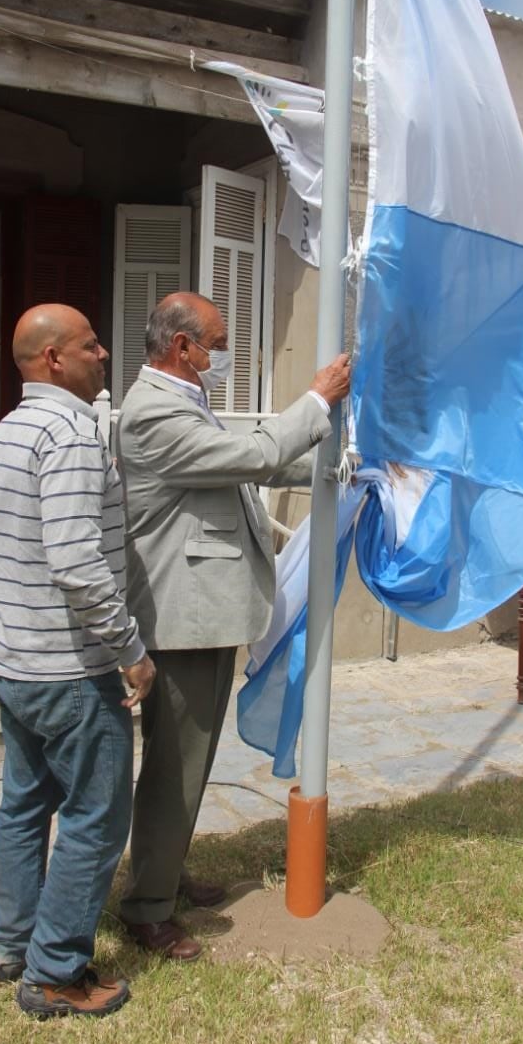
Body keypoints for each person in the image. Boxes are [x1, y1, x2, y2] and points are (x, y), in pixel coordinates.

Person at [116, 291, 350, 960]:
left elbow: (257, 460)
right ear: (182, 347)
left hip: (205, 613)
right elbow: (250, 458)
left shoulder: (184, 403)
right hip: (181, 619)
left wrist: (341, 466)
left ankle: (164, 873)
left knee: (186, 764)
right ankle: (147, 908)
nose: (224, 354)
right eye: (216, 342)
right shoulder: (151, 411)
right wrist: (315, 401)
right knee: (174, 767)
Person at [0, 303, 156, 1019]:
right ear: (53, 358)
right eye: (89, 346)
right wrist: (131, 651)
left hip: (11, 660)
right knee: (94, 816)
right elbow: (78, 563)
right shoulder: (70, 431)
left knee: (24, 804)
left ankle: (12, 941)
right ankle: (54, 973)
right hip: (66, 668)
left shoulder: (5, 429)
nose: (104, 353)